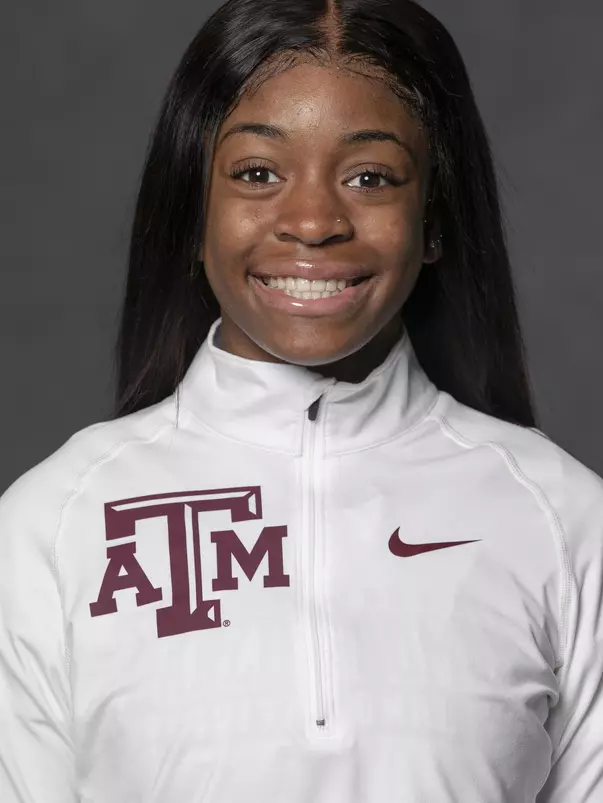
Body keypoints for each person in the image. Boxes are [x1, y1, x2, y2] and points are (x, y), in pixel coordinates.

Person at [1, 0, 601, 800]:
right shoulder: (53, 523)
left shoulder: (562, 517)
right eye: (257, 173)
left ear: (434, 220)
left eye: (369, 177)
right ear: (192, 211)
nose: (313, 221)